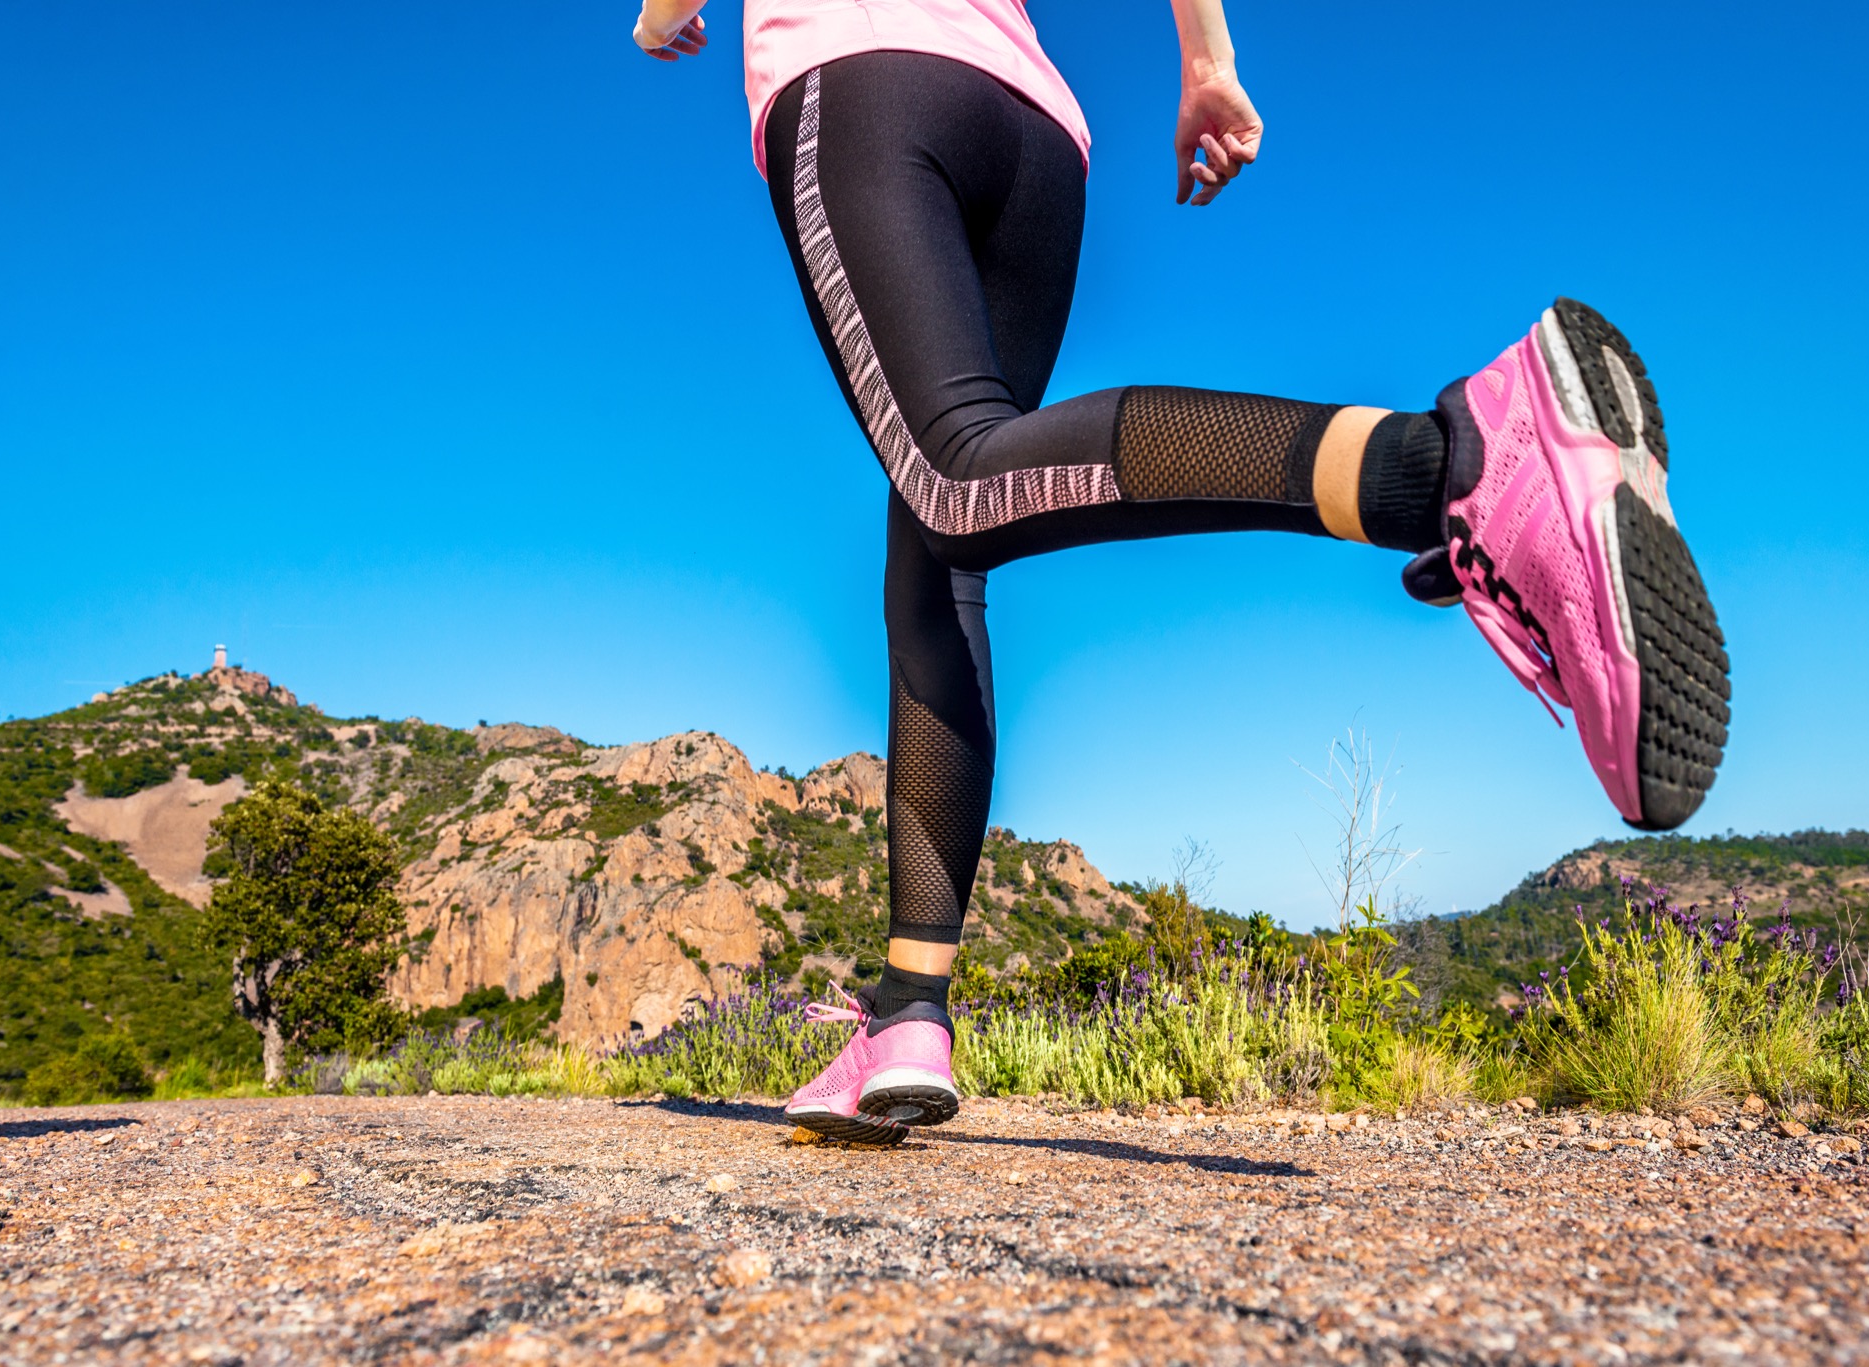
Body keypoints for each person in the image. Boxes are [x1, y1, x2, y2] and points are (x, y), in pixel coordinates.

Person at [630, 0, 1730, 1143]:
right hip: (1032, 134)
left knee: (955, 479)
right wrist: (1209, 62)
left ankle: (1447, 466)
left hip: (858, 79)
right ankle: (910, 1010)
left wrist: (658, 22)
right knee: (938, 545)